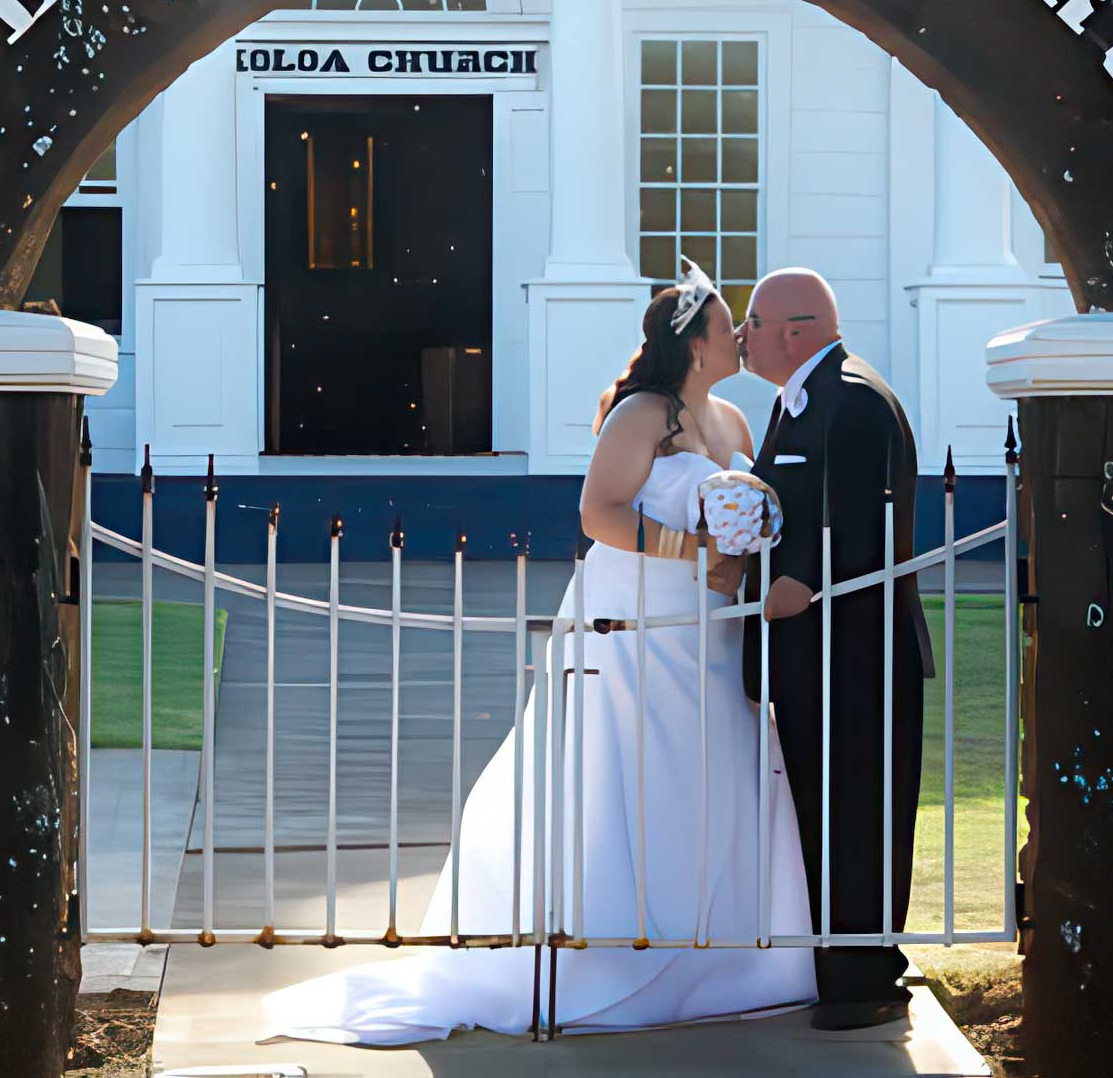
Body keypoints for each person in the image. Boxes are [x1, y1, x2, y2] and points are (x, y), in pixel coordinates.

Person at [263, 264, 816, 1045]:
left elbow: (749, 515)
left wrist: (744, 552)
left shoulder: (733, 421)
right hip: (632, 623)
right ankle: (610, 949)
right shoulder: (642, 416)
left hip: (714, 628)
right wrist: (690, 548)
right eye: (730, 325)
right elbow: (598, 513)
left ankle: (714, 958)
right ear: (696, 344)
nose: (742, 336)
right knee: (623, 775)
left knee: (712, 770)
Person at [738, 268, 931, 1031]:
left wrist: (802, 583)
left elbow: (860, 520)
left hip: (856, 656)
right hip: (818, 654)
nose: (743, 335)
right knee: (824, 808)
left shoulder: (851, 399)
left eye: (752, 321)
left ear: (796, 330)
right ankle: (837, 964)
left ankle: (865, 980)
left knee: (858, 809)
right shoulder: (805, 400)